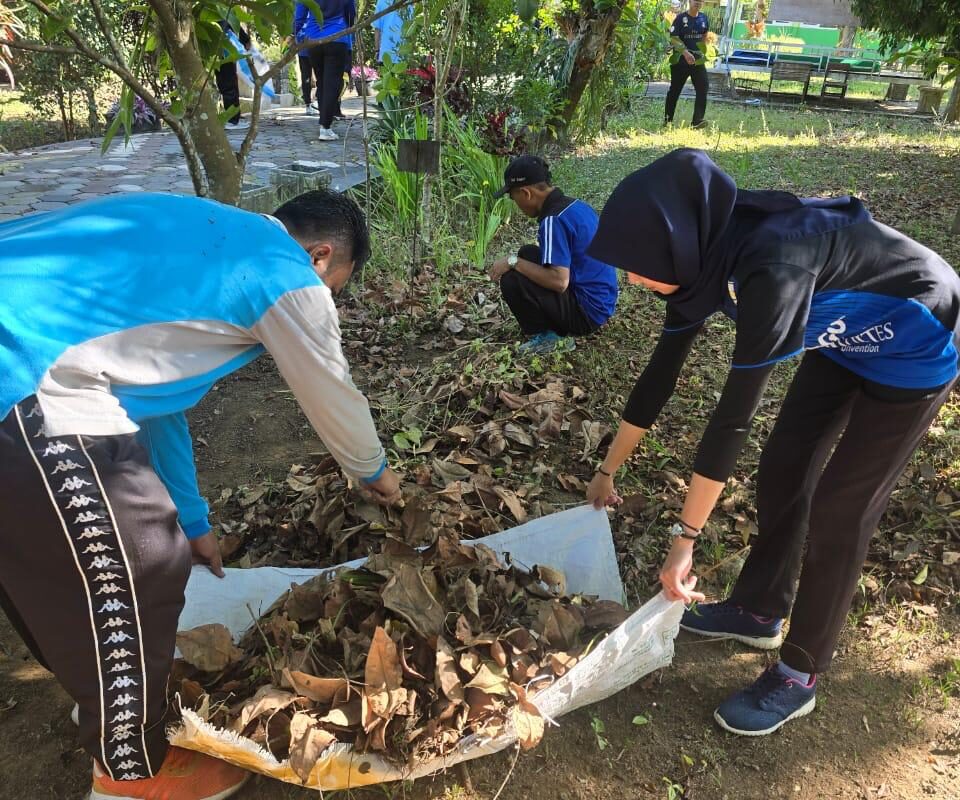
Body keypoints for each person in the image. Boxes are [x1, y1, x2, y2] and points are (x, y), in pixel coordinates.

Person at [0, 189, 403, 799]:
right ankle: (136, 772)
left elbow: (152, 406)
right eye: (335, 290)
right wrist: (378, 477)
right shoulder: (285, 271)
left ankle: (103, 703)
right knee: (139, 558)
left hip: (33, 361)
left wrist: (193, 520)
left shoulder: (201, 232)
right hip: (24, 371)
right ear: (321, 257)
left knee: (44, 560)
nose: (326, 302)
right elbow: (334, 393)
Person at [585, 148, 960, 737]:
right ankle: (760, 608)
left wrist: (684, 541)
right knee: (785, 462)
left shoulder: (772, 270)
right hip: (841, 336)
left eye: (639, 265)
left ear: (675, 243)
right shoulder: (699, 259)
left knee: (842, 508)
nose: (634, 278)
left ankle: (799, 672)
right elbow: (660, 375)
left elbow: (732, 420)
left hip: (916, 338)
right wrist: (608, 469)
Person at [489, 155, 619, 355]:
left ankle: (551, 339)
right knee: (528, 253)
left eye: (513, 197)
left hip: (586, 313)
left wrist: (511, 261)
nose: (516, 203)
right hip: (602, 302)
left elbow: (559, 282)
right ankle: (554, 325)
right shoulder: (575, 206)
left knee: (512, 279)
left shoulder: (553, 220)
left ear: (526, 193)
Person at [295, 0, 356, 141]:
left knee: (322, 82)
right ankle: (325, 127)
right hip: (337, 37)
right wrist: (348, 27)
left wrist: (295, 34)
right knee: (332, 84)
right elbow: (350, 13)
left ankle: (324, 123)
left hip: (314, 39)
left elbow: (299, 16)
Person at [665, 0, 709, 128]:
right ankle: (668, 120)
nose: (698, 3)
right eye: (696, 0)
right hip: (680, 62)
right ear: (690, 1)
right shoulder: (680, 18)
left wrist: (702, 51)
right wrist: (685, 53)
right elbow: (673, 38)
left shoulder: (704, 18)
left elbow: (704, 35)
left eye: (701, 1)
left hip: (697, 62)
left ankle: (697, 121)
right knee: (675, 90)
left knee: (703, 87)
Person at [216, 19, 251, 130]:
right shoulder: (221, 10)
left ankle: (234, 116)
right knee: (228, 84)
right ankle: (232, 120)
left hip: (221, 48)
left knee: (228, 83)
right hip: (223, 47)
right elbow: (230, 23)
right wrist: (245, 40)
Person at [374, 0, 405, 64]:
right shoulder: (407, 2)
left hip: (385, 54)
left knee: (386, 73)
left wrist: (377, 50)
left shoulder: (381, 1)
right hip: (403, 52)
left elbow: (377, 29)